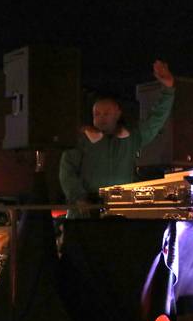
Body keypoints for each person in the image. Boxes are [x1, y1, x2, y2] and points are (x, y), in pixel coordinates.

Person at [59, 60, 175, 217]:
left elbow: (156, 120)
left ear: (118, 113)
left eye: (106, 113)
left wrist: (168, 89)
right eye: (97, 114)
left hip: (120, 212)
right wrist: (78, 197)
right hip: (85, 213)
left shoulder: (132, 138)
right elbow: (67, 172)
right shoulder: (81, 140)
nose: (101, 118)